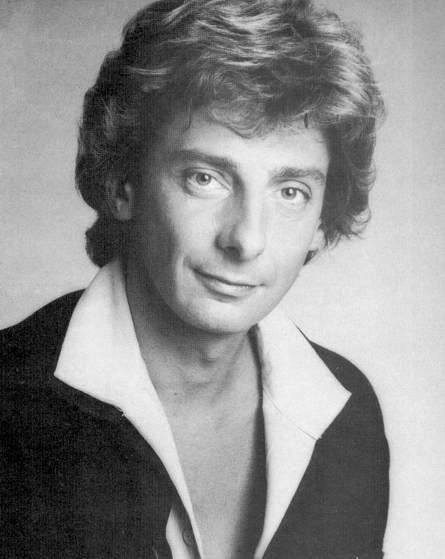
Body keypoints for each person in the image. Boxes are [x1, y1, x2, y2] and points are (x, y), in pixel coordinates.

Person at [0, 0, 389, 557]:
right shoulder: (12, 404)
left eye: (290, 192)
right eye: (206, 178)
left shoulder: (346, 416)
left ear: (322, 223)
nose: (246, 239)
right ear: (123, 184)